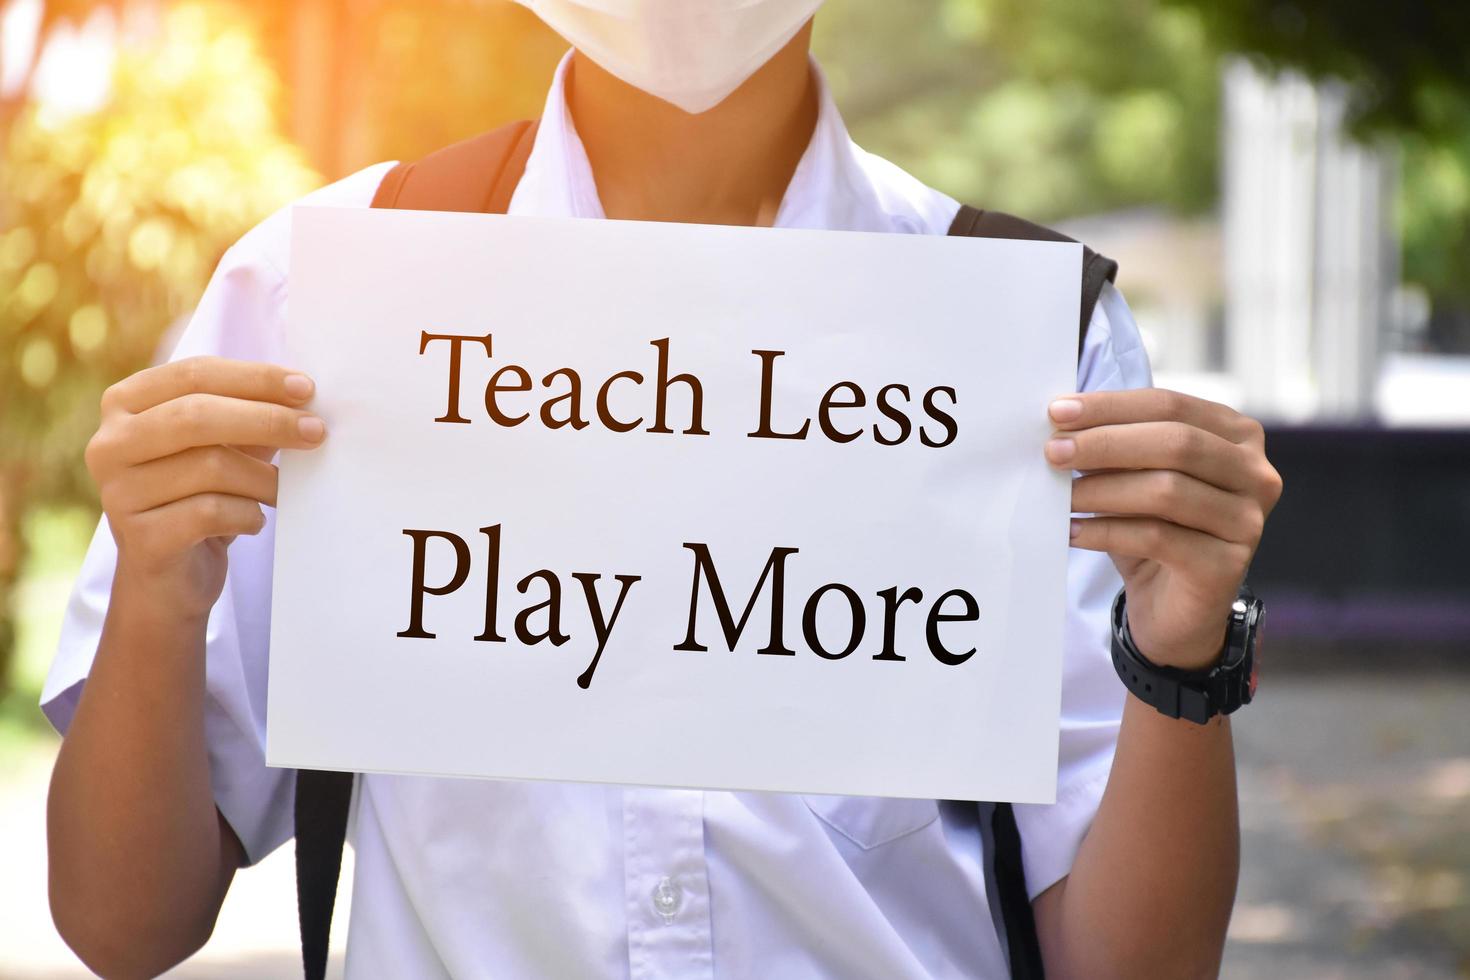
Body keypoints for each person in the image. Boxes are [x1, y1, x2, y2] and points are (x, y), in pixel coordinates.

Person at [43, 2, 1281, 977]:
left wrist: (1181, 657)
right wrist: (159, 587)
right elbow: (123, 925)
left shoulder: (1029, 336)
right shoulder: (318, 293)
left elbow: (1136, 965)